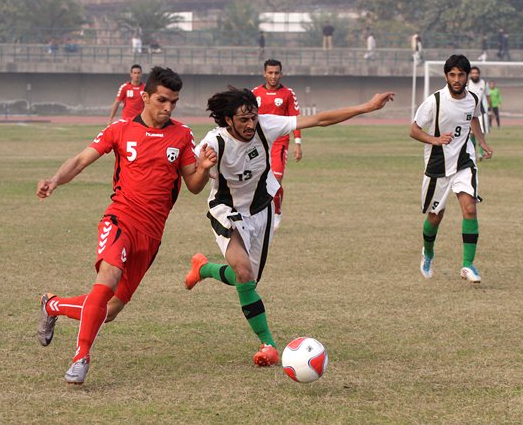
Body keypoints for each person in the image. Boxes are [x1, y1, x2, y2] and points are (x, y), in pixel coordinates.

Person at [184, 87, 394, 366]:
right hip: (227, 211)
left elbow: (319, 119)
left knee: (248, 281)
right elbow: (194, 188)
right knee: (244, 273)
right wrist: (203, 168)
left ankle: (204, 268)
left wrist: (366, 107)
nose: (250, 125)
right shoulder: (213, 143)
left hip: (262, 209)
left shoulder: (265, 125)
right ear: (227, 120)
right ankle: (268, 344)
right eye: (243, 120)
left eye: (253, 118)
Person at [36, 66, 217, 385]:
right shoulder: (119, 130)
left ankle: (53, 305)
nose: (168, 107)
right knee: (107, 279)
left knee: (110, 308)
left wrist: (202, 168)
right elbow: (79, 160)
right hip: (120, 218)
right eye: (162, 100)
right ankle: (80, 358)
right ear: (145, 97)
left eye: (174, 102)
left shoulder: (182, 134)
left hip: (151, 234)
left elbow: (193, 185)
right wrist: (54, 180)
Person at [410, 54, 493, 284]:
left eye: (461, 75)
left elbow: (473, 118)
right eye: (452, 75)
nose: (457, 79)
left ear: (467, 77)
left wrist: (483, 142)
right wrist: (435, 140)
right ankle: (428, 252)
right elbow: (414, 130)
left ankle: (467, 265)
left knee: (469, 209)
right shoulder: (434, 101)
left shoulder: (473, 98)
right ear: (446, 76)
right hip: (438, 164)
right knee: (435, 216)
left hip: (464, 161)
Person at [251, 59, 302, 229]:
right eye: (270, 73)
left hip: (279, 143)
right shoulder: (255, 93)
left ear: (281, 73)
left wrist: (298, 143)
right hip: (259, 143)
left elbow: (296, 120)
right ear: (264, 73)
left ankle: (277, 212)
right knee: (257, 181)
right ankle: (259, 214)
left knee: (275, 180)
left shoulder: (287, 94)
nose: (273, 76)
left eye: (276, 73)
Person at [467, 66, 492, 157]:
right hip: (470, 112)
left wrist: (491, 110)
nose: (474, 75)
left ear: (479, 74)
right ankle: (473, 153)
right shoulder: (467, 83)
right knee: (472, 133)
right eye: (472, 73)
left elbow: (488, 97)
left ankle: (481, 154)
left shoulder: (484, 83)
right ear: (470, 74)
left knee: (481, 132)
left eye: (476, 73)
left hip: (482, 112)